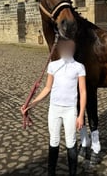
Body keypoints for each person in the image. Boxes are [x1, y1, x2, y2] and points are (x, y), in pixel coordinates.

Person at [21, 40, 87, 176]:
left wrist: (81, 115)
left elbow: (83, 91)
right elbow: (47, 88)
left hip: (70, 110)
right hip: (54, 109)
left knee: (71, 142)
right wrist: (31, 104)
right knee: (54, 140)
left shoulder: (79, 67)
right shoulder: (53, 65)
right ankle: (51, 173)